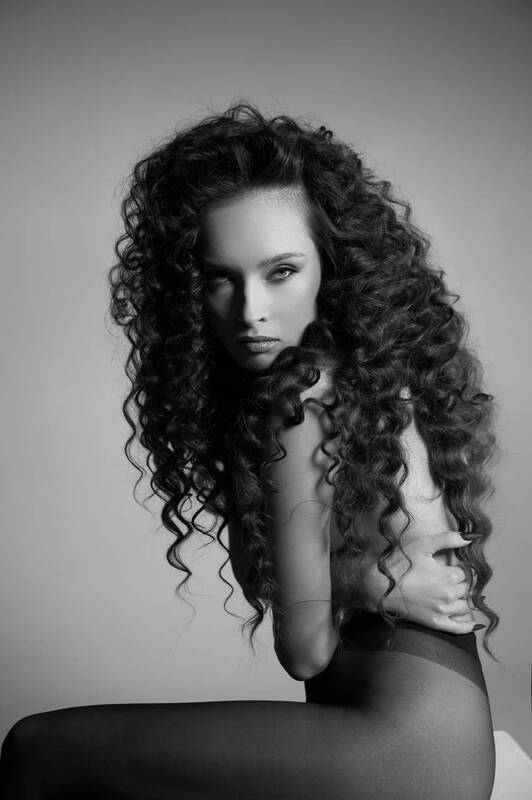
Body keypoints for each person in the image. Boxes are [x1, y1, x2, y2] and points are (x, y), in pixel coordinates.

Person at [0, 102, 499, 799]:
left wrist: (361, 586)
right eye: (219, 278)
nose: (250, 310)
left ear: (332, 268)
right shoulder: (336, 388)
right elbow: (265, 577)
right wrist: (369, 582)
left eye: (281, 271)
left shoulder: (306, 397)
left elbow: (305, 651)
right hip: (429, 743)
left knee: (37, 748)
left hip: (408, 751)